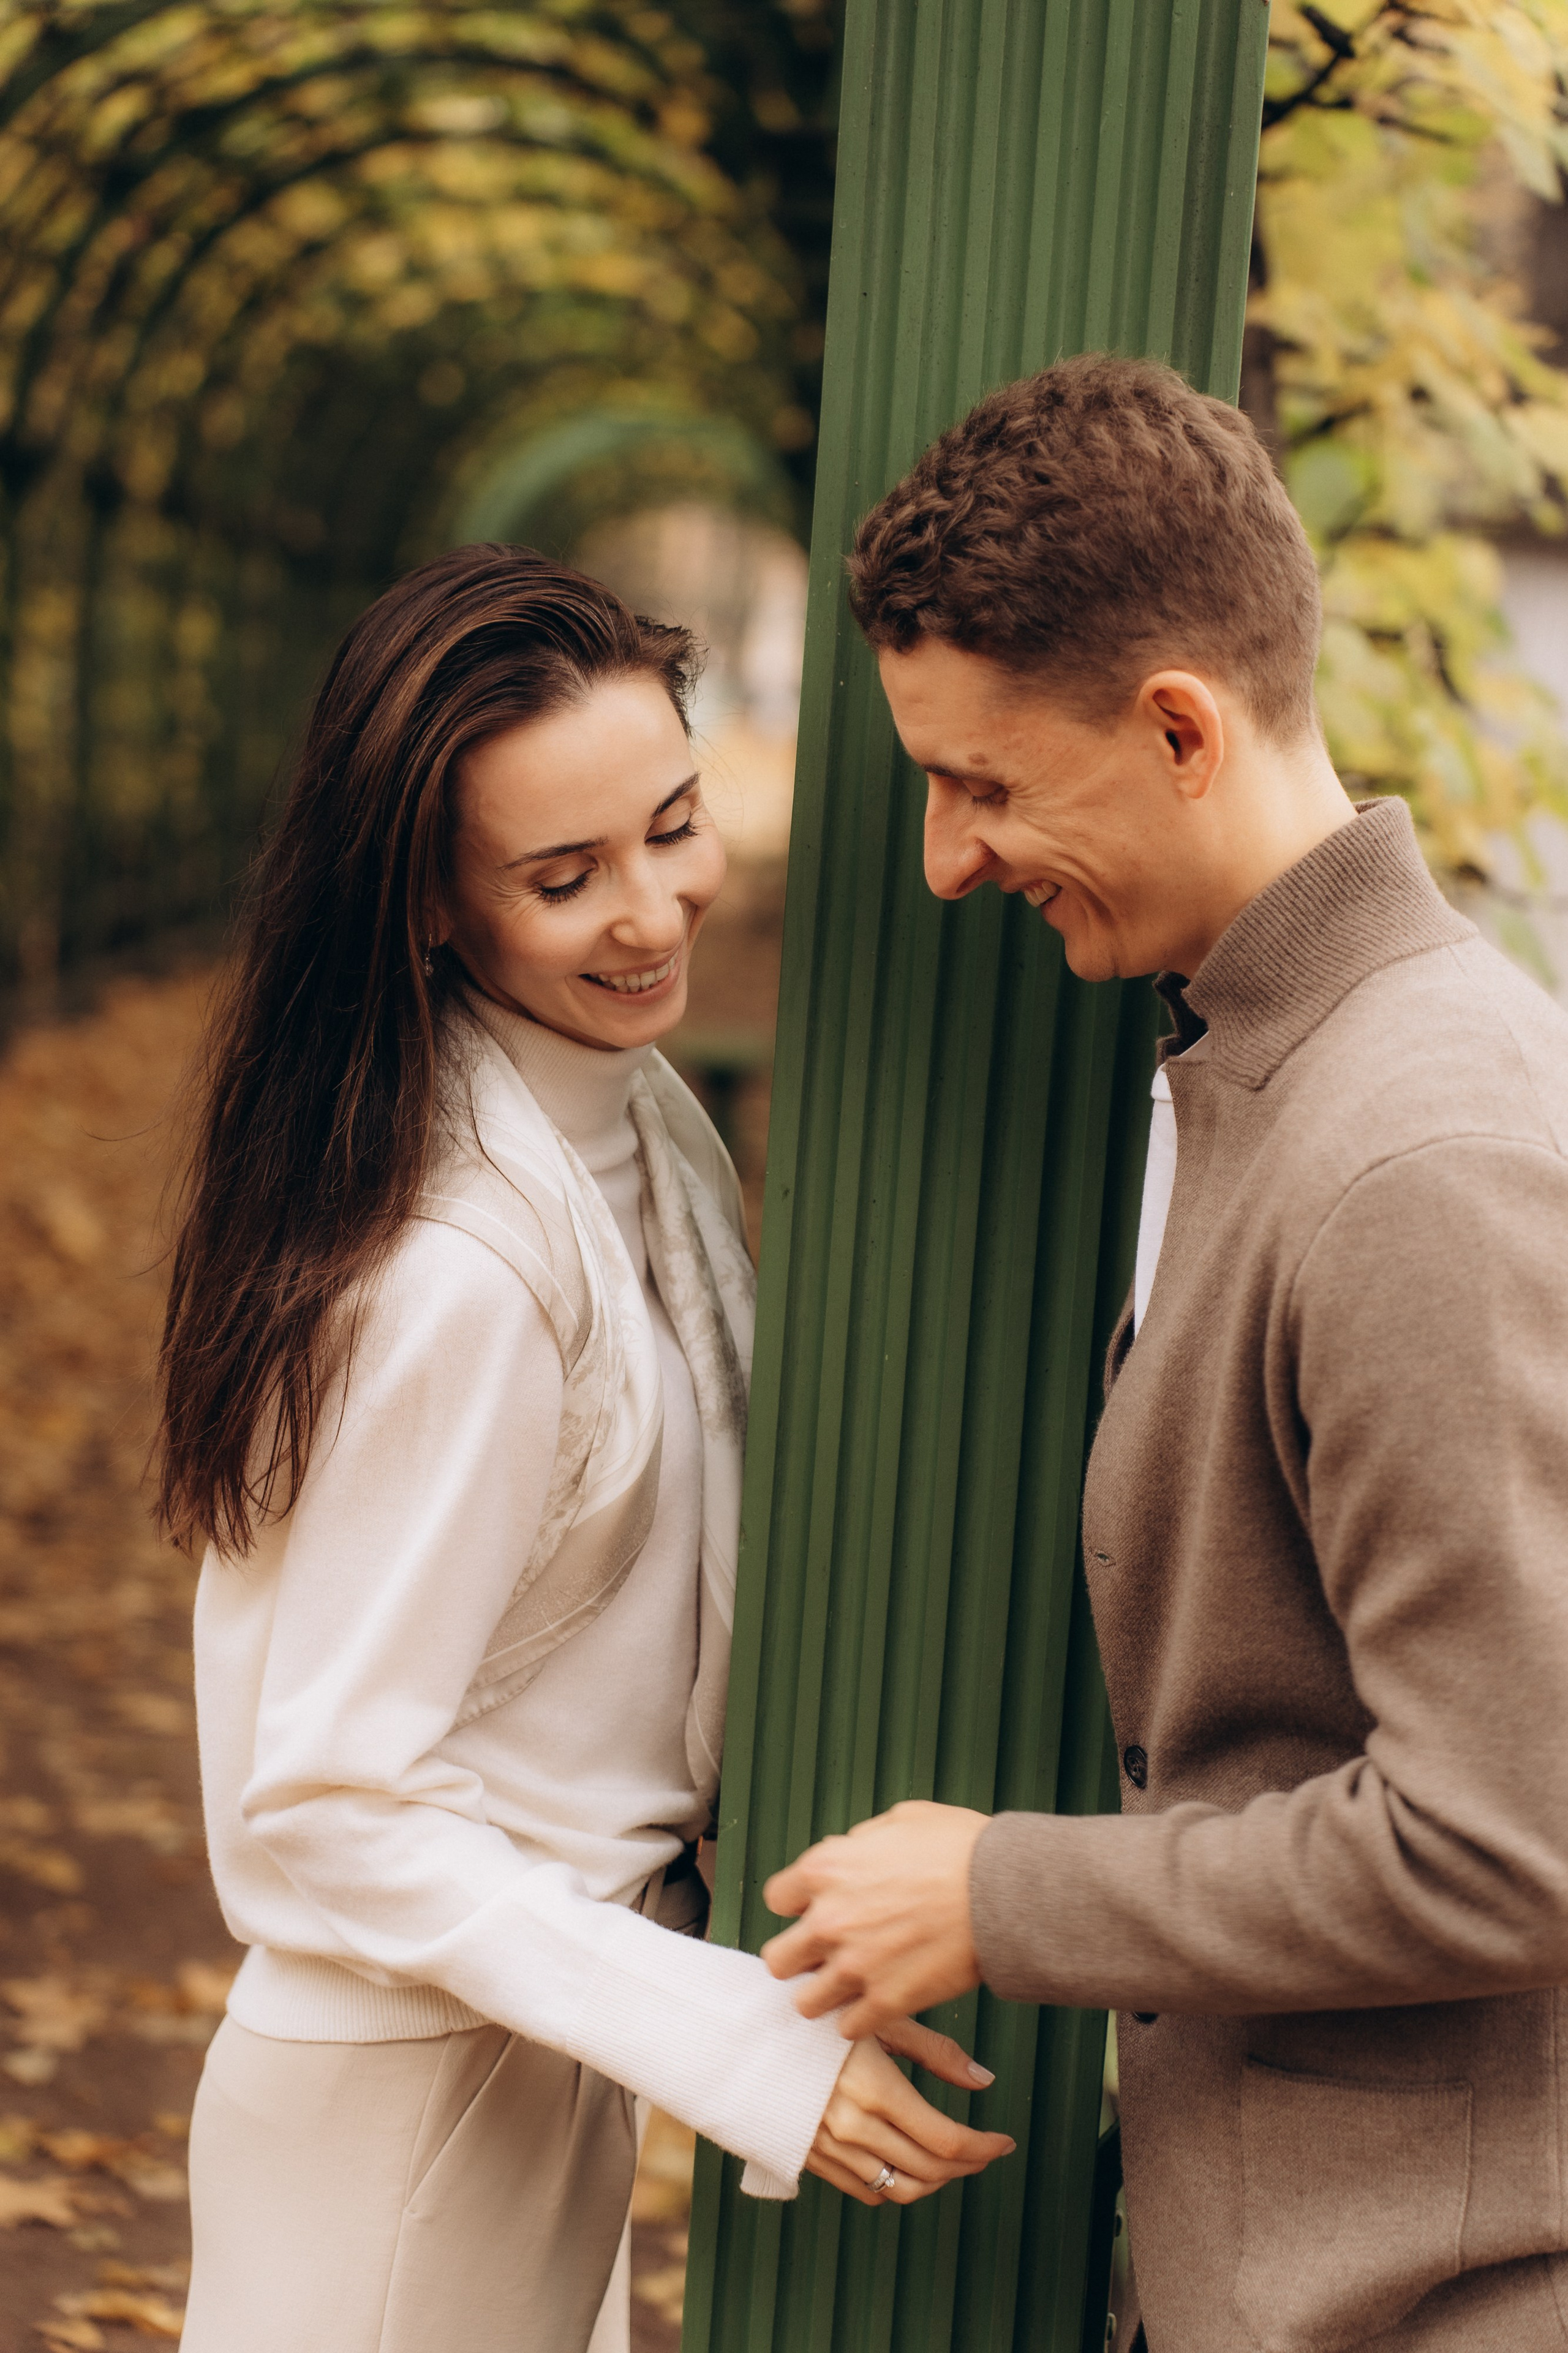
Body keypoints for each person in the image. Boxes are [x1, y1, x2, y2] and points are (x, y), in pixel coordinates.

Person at [761, 356, 1568, 2352]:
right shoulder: (1265, 1059)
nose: (949, 857)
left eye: (988, 782)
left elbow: (1508, 1838)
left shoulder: (1417, 1158)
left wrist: (1002, 1896)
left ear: (1184, 727)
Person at [158, 546, 1013, 2353]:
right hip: (402, 2107)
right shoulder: (456, 1269)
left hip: (534, 2048)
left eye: (674, 823)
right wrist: (744, 2045)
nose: (653, 910)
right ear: (428, 912)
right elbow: (327, 1794)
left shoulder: (653, 1121)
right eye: (566, 877)